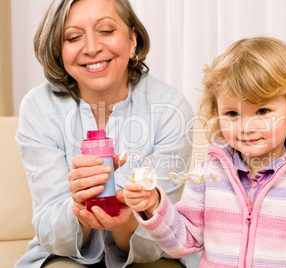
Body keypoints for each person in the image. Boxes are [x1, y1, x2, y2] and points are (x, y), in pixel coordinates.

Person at [123, 36, 286, 267]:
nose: (246, 126)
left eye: (262, 111)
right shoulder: (208, 175)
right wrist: (154, 205)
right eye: (232, 114)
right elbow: (184, 242)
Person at [15, 0, 199, 267]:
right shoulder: (38, 107)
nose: (91, 48)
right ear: (58, 49)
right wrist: (79, 209)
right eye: (73, 37)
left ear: (132, 39)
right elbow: (52, 236)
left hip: (150, 256)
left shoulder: (170, 108)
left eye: (106, 31)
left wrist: (125, 223)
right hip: (64, 255)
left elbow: (163, 239)